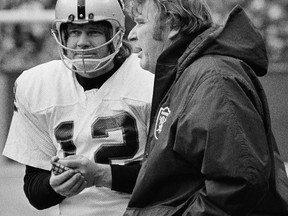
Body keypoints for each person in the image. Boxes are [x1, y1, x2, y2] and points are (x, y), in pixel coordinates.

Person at [122, 0, 288, 215]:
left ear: (172, 24)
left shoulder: (213, 78)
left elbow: (238, 183)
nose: (132, 35)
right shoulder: (192, 75)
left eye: (140, 22)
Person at [2, 0, 153, 215]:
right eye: (74, 32)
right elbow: (35, 193)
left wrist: (100, 175)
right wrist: (55, 185)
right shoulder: (38, 85)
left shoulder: (148, 78)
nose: (82, 42)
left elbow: (170, 178)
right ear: (61, 35)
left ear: (117, 35)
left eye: (93, 32)